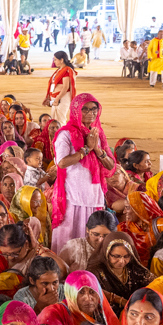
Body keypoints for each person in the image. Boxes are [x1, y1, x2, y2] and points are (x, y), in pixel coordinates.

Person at [50, 95, 115, 252]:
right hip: (72, 196)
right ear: (75, 110)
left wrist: (97, 149)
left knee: (93, 241)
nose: (91, 113)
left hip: (93, 196)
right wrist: (86, 149)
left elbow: (111, 166)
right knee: (70, 240)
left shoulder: (97, 134)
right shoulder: (65, 134)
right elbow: (62, 162)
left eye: (94, 109)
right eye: (85, 109)